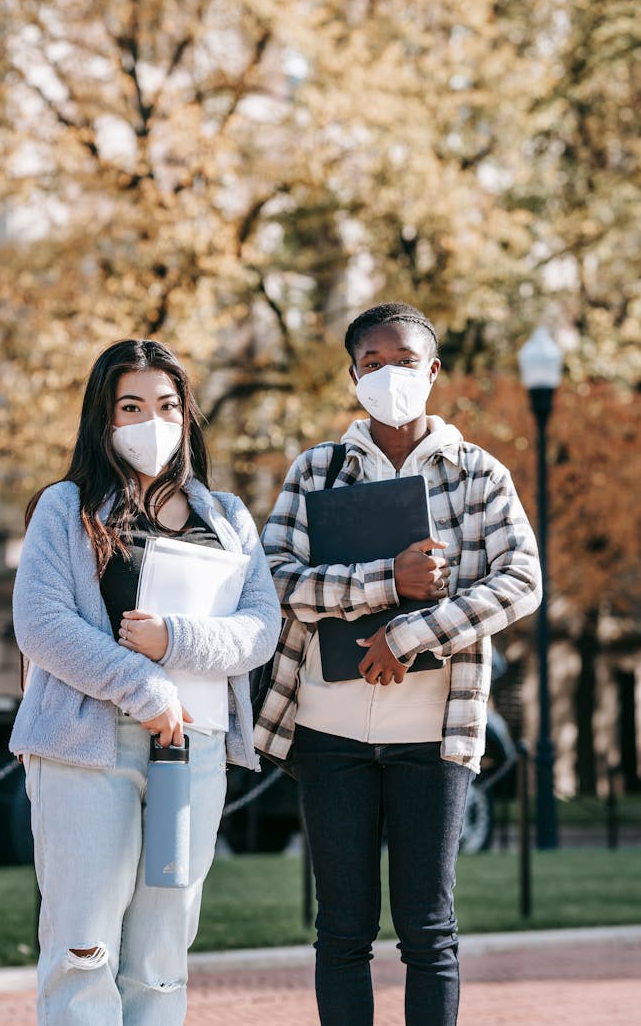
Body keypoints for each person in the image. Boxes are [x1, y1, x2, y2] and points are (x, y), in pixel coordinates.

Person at [255, 302, 542, 1026]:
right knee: (343, 931)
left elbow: (521, 580)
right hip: (329, 729)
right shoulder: (316, 470)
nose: (390, 375)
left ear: (434, 370)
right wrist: (385, 580)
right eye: (373, 363)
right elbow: (275, 578)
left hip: (434, 731)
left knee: (428, 928)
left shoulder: (479, 474)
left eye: (406, 360)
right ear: (353, 374)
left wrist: (409, 633)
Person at [9, 338, 281, 1025]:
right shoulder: (64, 508)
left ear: (187, 415)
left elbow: (260, 627)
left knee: (160, 959)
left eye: (166, 405)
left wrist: (176, 640)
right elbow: (40, 622)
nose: (150, 420)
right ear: (103, 419)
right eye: (130, 405)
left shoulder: (228, 518)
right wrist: (145, 683)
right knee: (82, 948)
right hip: (86, 751)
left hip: (191, 759)